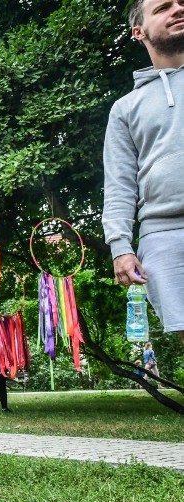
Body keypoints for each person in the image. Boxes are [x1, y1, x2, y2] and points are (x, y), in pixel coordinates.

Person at [103, 0, 184, 346]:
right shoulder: (125, 108)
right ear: (139, 32)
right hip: (163, 234)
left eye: (181, 3)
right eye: (164, 7)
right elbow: (119, 185)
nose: (178, 9)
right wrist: (120, 246)